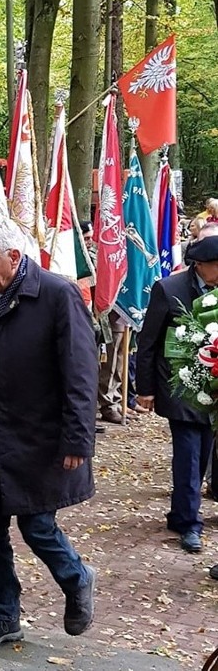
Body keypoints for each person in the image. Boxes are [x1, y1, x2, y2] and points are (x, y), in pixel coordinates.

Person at [0, 215, 97, 653]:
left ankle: (76, 578)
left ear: (13, 257)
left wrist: (78, 437)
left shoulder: (57, 294)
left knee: (37, 524)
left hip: (41, 434)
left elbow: (80, 371)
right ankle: (3, 613)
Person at [137, 235, 218, 554]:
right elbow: (148, 342)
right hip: (179, 386)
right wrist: (144, 389)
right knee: (188, 455)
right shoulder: (168, 289)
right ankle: (189, 524)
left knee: (202, 453)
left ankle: (180, 512)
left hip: (212, 391)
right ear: (200, 265)